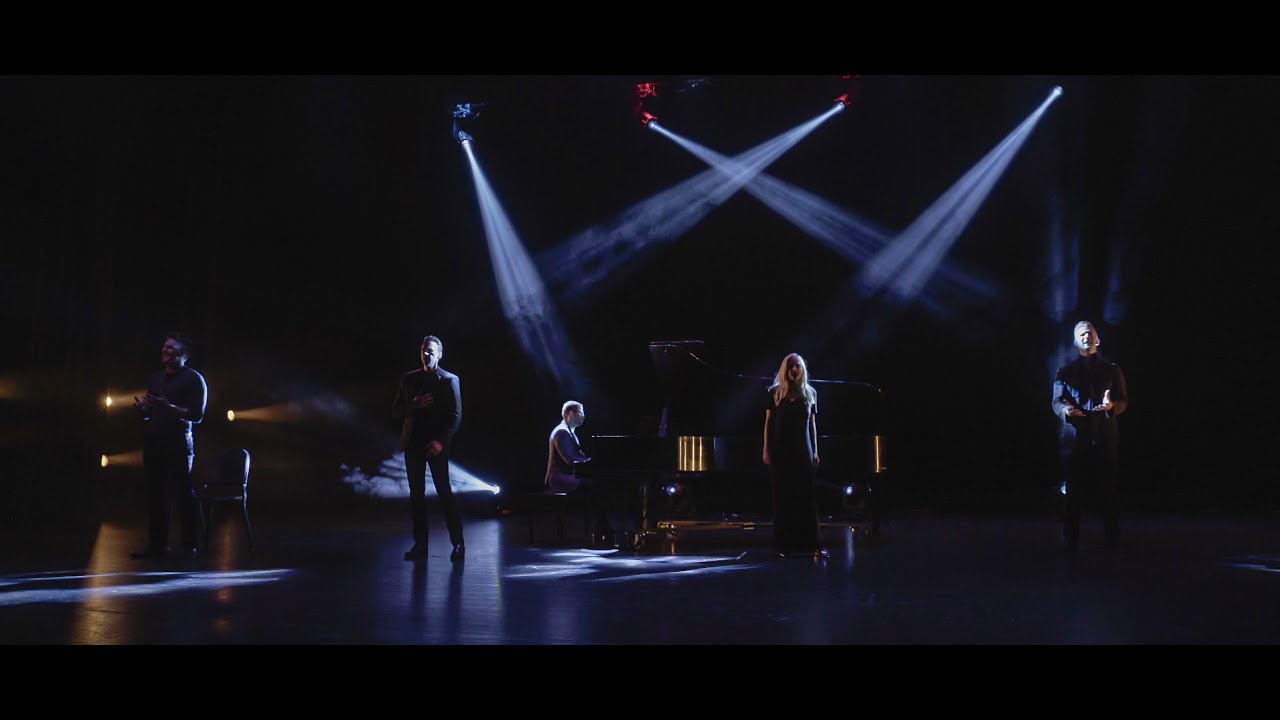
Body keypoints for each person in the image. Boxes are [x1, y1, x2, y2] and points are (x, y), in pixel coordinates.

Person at [1052, 320, 1128, 552]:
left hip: (1105, 437)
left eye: (1090, 333)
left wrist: (1111, 406)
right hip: (1076, 439)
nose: (1086, 336)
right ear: (1076, 342)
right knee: (1073, 491)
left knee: (1109, 490)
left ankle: (1112, 538)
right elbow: (1056, 401)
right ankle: (1070, 538)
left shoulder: (1112, 370)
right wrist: (1065, 411)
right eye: (1082, 334)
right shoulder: (1064, 372)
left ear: (1098, 339)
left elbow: (1123, 400)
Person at [131, 331, 208, 559]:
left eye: (171, 347)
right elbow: (150, 411)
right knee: (156, 494)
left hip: (178, 442)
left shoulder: (194, 379)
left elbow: (197, 415)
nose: (165, 350)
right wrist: (144, 410)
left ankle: (188, 546)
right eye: (164, 346)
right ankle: (157, 546)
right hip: (154, 440)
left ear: (184, 353)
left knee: (182, 493)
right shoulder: (156, 378)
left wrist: (169, 407)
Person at [393, 335, 465, 562]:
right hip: (413, 444)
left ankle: (458, 543)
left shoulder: (450, 380)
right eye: (423, 350)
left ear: (439, 354)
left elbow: (456, 416)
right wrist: (413, 406)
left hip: (436, 445)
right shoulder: (409, 379)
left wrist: (441, 442)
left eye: (430, 351)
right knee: (416, 495)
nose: (426, 354)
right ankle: (420, 545)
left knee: (444, 492)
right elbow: (396, 411)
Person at [763, 352, 827, 559]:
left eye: (797, 366)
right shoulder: (775, 392)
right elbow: (768, 423)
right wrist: (766, 448)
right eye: (791, 366)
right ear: (785, 369)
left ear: (802, 369)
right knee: (782, 497)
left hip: (803, 449)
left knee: (807, 497)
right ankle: (784, 545)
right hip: (781, 450)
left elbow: (813, 425)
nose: (794, 369)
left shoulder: (810, 393)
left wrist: (815, 450)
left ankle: (814, 545)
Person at [544, 400, 612, 546]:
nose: (584, 416)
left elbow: (580, 457)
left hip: (566, 475)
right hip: (559, 477)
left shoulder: (570, 432)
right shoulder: (561, 432)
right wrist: (590, 463)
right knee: (596, 487)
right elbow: (569, 459)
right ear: (570, 413)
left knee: (598, 485)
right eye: (581, 413)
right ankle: (602, 527)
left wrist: (591, 461)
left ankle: (601, 526)